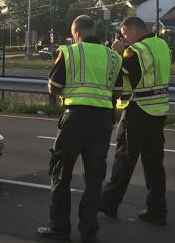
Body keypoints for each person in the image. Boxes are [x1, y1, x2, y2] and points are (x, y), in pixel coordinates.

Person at [36, 15, 123, 243]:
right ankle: (88, 231)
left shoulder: (70, 52)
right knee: (94, 178)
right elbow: (117, 92)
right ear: (92, 30)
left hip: (75, 119)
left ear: (76, 32)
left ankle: (60, 229)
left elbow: (54, 87)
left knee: (60, 173)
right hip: (103, 120)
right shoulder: (113, 57)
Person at [99, 17, 171, 226]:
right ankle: (157, 210)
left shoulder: (136, 50)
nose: (123, 37)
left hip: (137, 111)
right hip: (158, 111)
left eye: (125, 33)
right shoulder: (162, 45)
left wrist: (119, 51)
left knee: (124, 160)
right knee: (153, 163)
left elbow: (122, 73)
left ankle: (109, 203)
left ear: (135, 28)